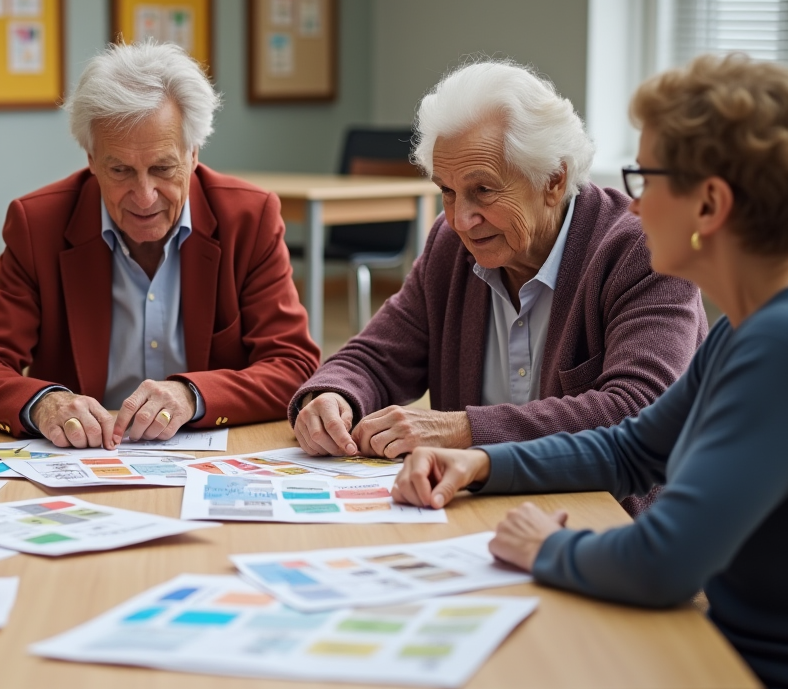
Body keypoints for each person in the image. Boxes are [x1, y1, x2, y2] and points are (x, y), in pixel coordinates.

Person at [392, 54, 788, 689]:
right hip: (720, 656)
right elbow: (635, 446)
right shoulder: (746, 331)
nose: (632, 203)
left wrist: (545, 547)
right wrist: (484, 462)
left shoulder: (777, 345)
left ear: (710, 204)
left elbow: (662, 562)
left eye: (646, 177)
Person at [291, 60, 708, 516]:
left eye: (483, 191)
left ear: (554, 180)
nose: (460, 220)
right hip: (477, 519)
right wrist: (331, 396)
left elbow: (637, 413)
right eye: (447, 192)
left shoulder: (642, 250)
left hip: (616, 526)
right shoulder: (449, 247)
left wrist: (464, 431)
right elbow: (375, 356)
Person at [0, 41, 318, 448]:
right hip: (82, 461)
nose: (144, 196)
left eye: (162, 168)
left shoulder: (248, 218)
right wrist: (45, 403)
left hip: (212, 455)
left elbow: (293, 367)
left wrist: (191, 395)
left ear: (193, 154)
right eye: (120, 169)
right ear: (91, 158)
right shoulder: (39, 224)